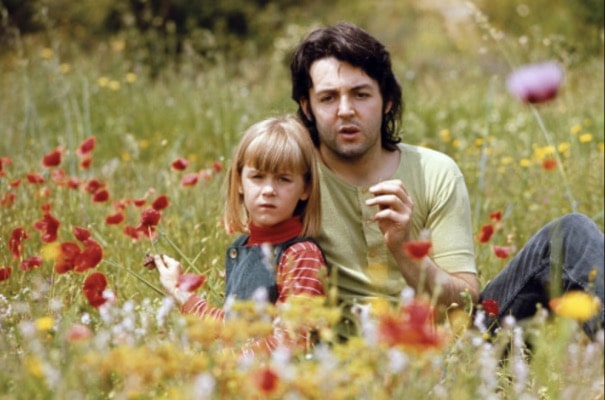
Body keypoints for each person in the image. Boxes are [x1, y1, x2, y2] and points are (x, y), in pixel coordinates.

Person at [289, 22, 604, 339]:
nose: (346, 110)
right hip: (342, 363)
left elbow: (465, 303)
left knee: (572, 234)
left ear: (386, 101)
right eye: (328, 98)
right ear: (308, 107)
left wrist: (404, 249)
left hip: (453, 352)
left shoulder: (435, 172)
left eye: (361, 94)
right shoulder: (291, 177)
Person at [149, 115, 327, 353]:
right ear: (240, 182)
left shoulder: (301, 255)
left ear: (305, 188)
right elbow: (233, 330)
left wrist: (230, 362)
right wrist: (181, 291)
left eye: (284, 179)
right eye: (257, 177)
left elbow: (290, 342)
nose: (268, 190)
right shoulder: (241, 247)